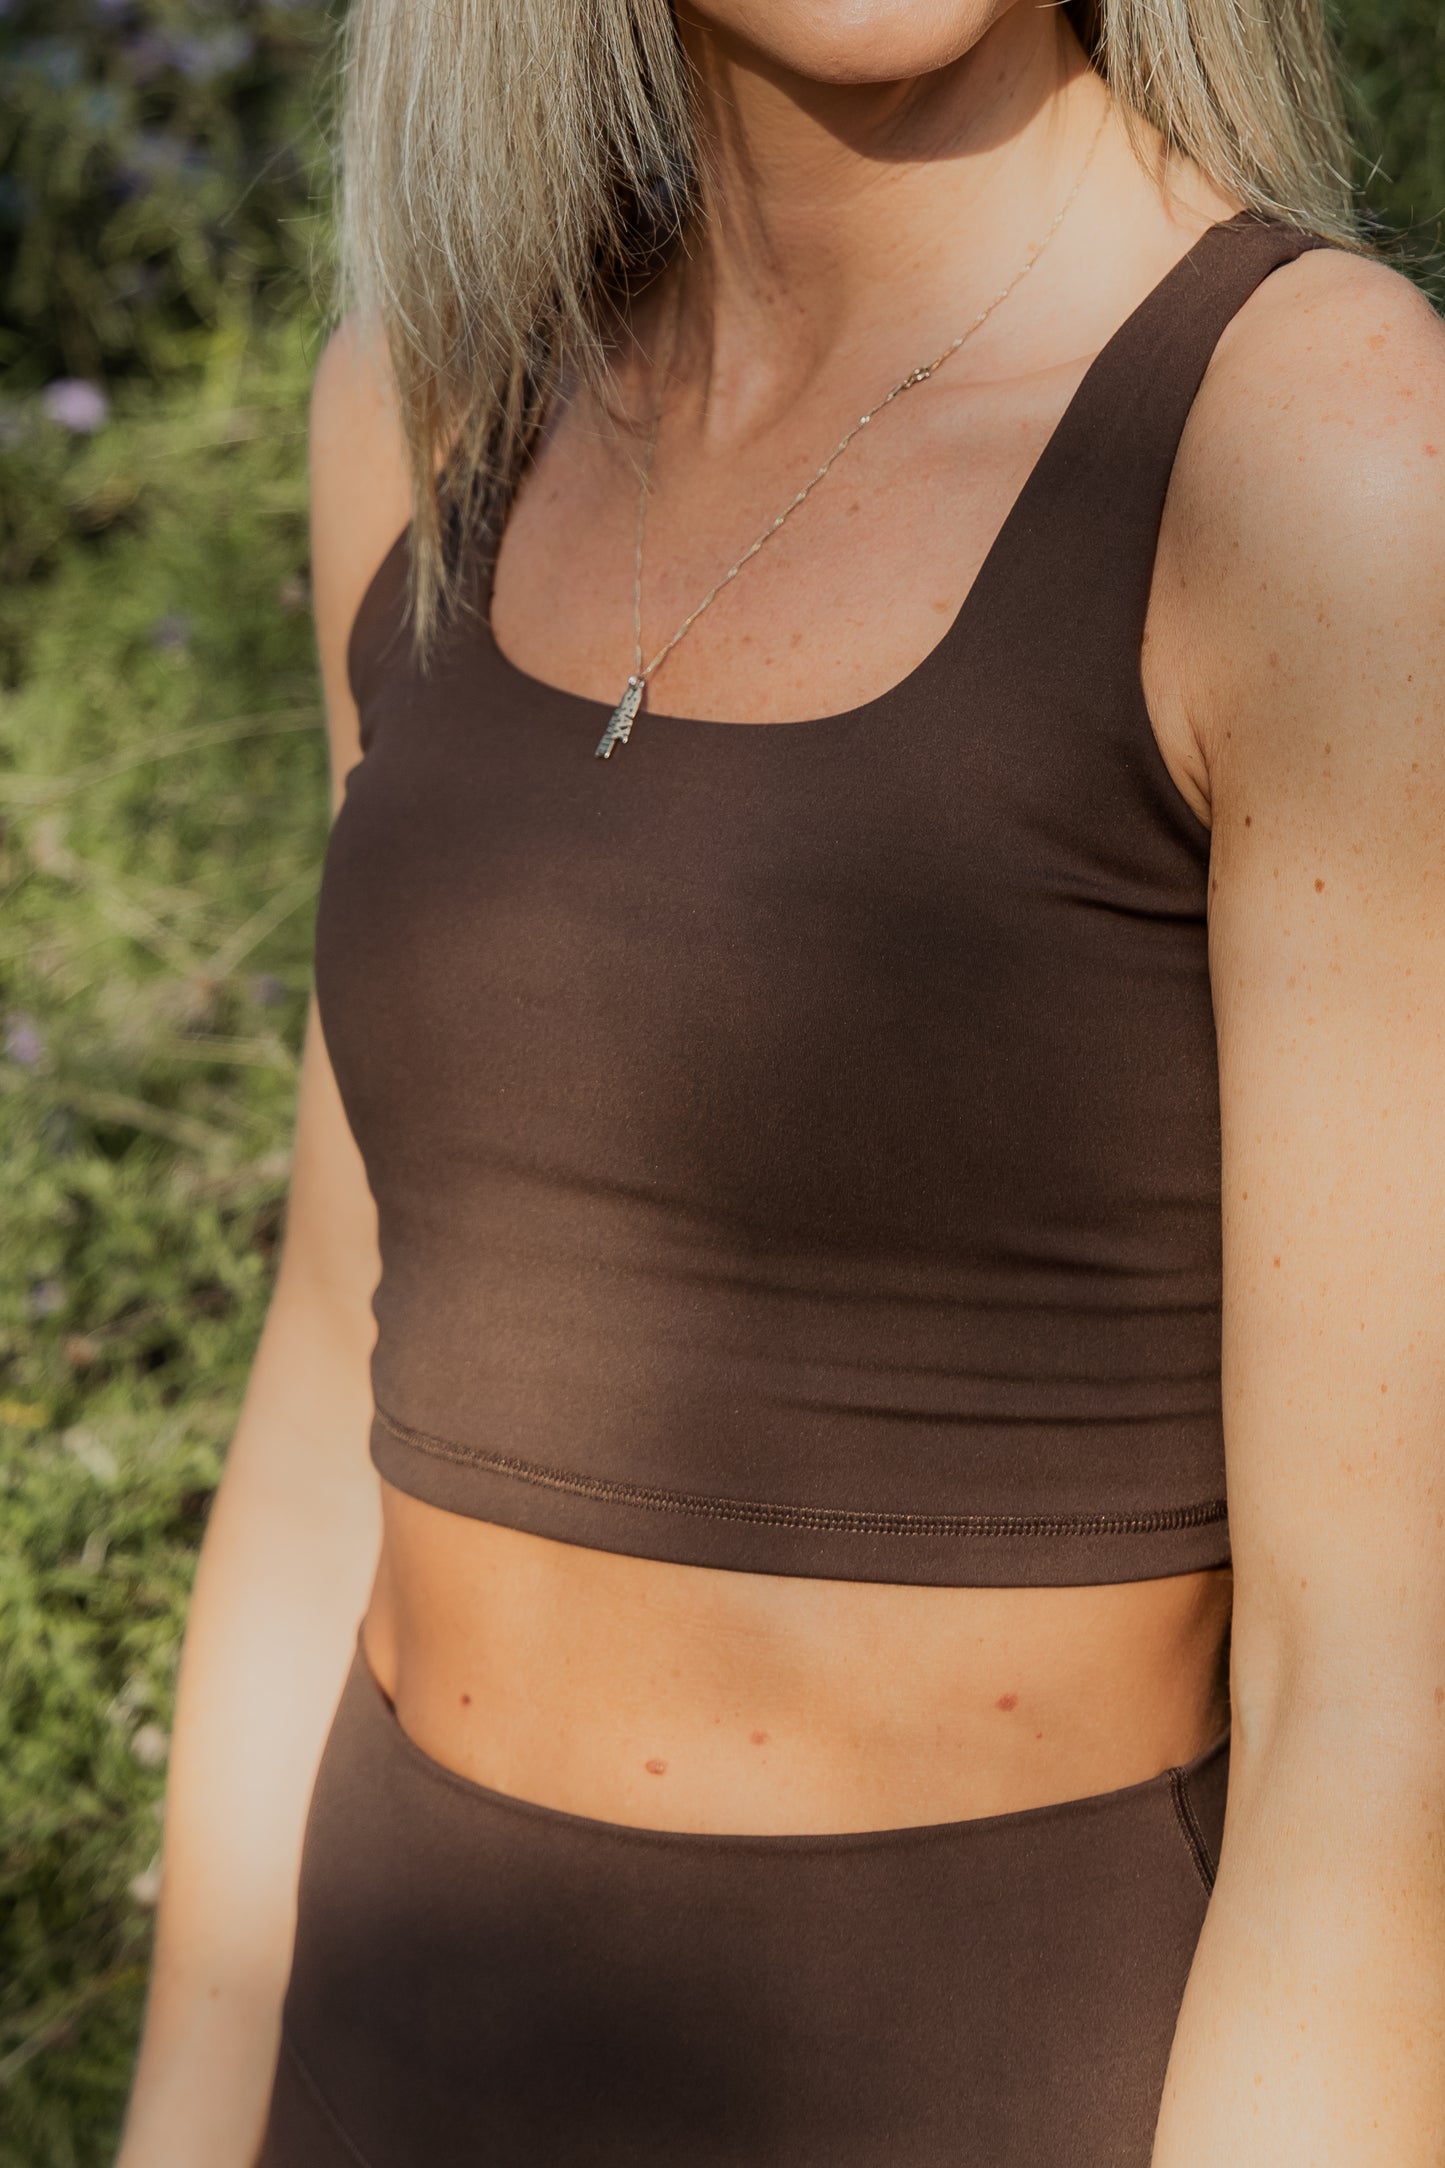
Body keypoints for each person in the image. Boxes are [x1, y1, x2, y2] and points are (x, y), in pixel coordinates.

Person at [118, 2, 1445, 2163]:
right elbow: (318, 1399)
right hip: (385, 2031)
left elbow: (1386, 1696)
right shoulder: (436, 397)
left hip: (995, 2066)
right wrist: (191, 2113)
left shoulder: (1313, 441)